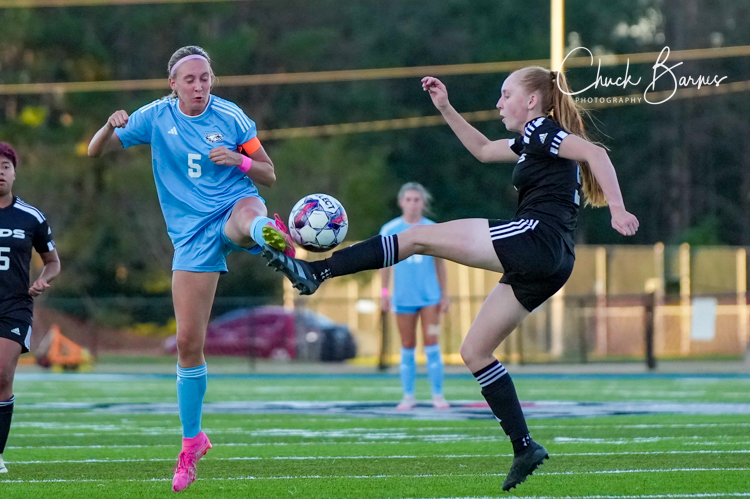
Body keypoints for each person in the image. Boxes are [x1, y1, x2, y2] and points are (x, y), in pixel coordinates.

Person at [261, 66, 639, 491]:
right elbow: (480, 149)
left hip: (535, 240)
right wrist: (445, 107)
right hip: (554, 259)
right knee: (475, 351)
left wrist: (617, 208)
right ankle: (524, 446)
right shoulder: (533, 141)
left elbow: (597, 155)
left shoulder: (541, 130)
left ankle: (318, 270)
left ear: (532, 100)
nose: (499, 103)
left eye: (505, 93)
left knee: (418, 237)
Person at [87, 46, 295, 492]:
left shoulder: (232, 117)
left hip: (233, 203)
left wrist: (237, 159)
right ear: (173, 84)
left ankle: (273, 237)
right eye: (191, 80)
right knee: (187, 343)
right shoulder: (154, 117)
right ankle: (191, 442)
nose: (200, 86)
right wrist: (109, 125)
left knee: (244, 221)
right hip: (190, 235)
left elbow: (269, 173)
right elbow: (93, 152)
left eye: (205, 78)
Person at [0, 143, 61, 474]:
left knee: (1, 375)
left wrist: (42, 280)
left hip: (14, 306)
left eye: (6, 166)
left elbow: (52, 262)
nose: (0, 171)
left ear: (14, 172)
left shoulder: (31, 216)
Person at [379, 182, 450, 410]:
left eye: (416, 199)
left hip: (430, 297)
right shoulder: (390, 229)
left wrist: (445, 294)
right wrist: (384, 292)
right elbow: (384, 265)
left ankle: (437, 395)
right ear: (401, 202)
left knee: (432, 343)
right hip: (403, 297)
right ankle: (409, 395)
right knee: (407, 345)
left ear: (423, 203)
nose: (412, 204)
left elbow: (441, 264)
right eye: (408, 199)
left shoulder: (433, 229)